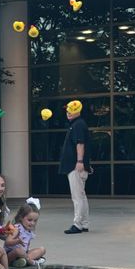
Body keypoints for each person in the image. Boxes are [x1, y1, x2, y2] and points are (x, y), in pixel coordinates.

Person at [58, 100, 91, 234]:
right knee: (81, 196)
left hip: (75, 166)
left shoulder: (77, 125)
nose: (68, 113)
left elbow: (80, 144)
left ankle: (78, 224)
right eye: (67, 110)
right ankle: (84, 223)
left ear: (77, 111)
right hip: (76, 165)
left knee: (77, 196)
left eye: (70, 110)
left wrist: (80, 161)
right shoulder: (78, 124)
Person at [5, 201, 46, 267]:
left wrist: (27, 252)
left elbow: (27, 246)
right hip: (11, 255)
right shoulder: (17, 228)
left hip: (23, 254)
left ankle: (22, 261)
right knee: (18, 251)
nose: (32, 223)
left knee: (42, 249)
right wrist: (17, 241)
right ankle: (31, 262)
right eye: (29, 220)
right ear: (21, 217)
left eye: (35, 221)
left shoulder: (29, 231)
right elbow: (7, 242)